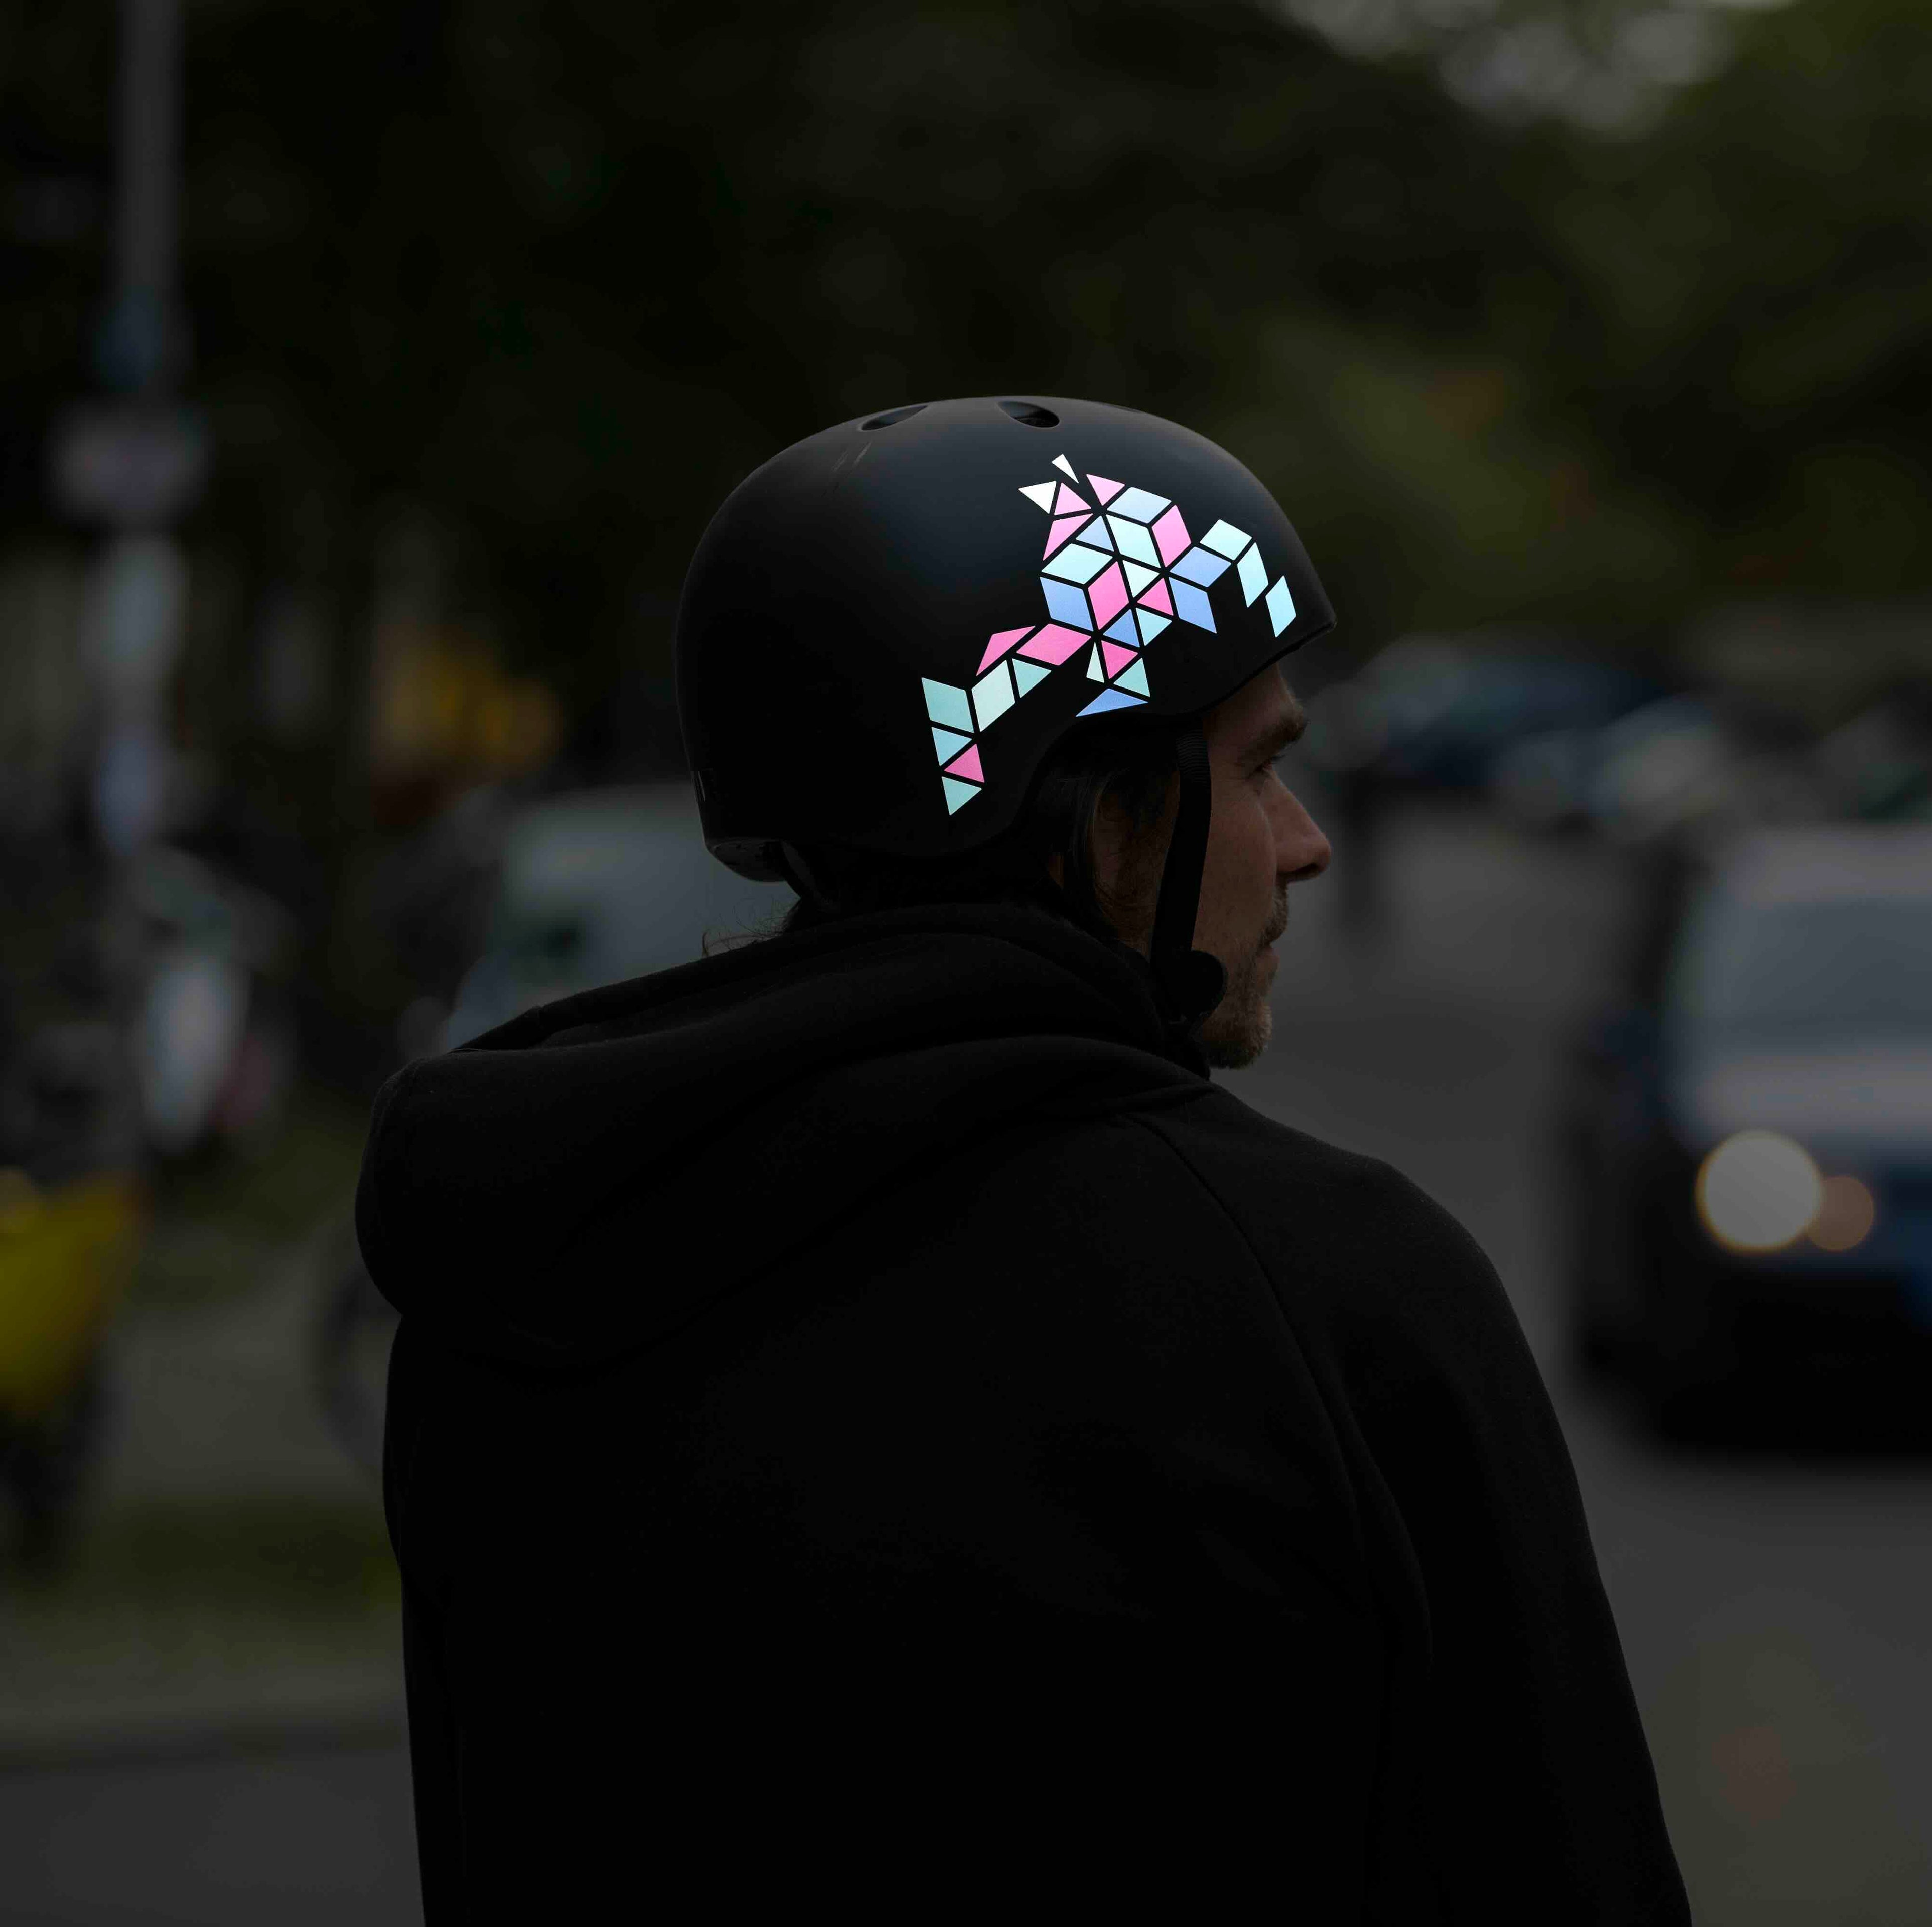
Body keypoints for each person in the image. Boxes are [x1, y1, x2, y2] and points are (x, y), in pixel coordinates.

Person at [355, 397, 1690, 1920]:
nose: (1308, 841)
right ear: (1101, 823)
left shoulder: (521, 1261)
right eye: (1257, 771)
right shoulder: (1335, 1295)